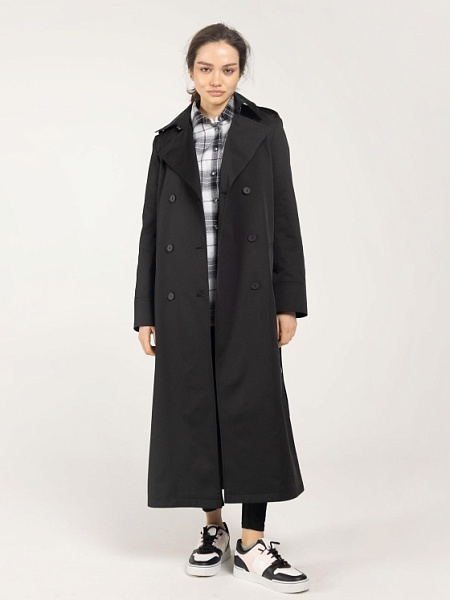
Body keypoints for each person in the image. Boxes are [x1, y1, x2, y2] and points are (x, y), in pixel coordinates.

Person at [134, 23, 310, 594]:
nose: (216, 79)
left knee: (254, 409)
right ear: (191, 71)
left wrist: (289, 300)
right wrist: (145, 310)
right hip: (182, 298)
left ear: (240, 72)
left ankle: (253, 541)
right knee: (193, 409)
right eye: (206, 69)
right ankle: (213, 527)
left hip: (248, 295)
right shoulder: (168, 140)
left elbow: (284, 216)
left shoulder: (264, 128)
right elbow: (151, 230)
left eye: (228, 69)